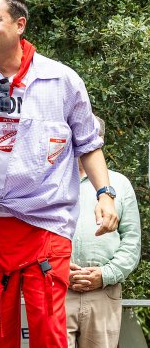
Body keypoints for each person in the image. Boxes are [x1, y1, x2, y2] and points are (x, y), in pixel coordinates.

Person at [0, 0, 118, 348]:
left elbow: (88, 143)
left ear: (20, 24)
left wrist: (105, 193)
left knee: (48, 329)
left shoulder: (61, 79)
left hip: (45, 222)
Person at [67, 117, 140, 348]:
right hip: (58, 289)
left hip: (104, 292)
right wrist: (57, 269)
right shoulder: (51, 182)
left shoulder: (120, 184)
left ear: (100, 141)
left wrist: (105, 275)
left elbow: (132, 242)